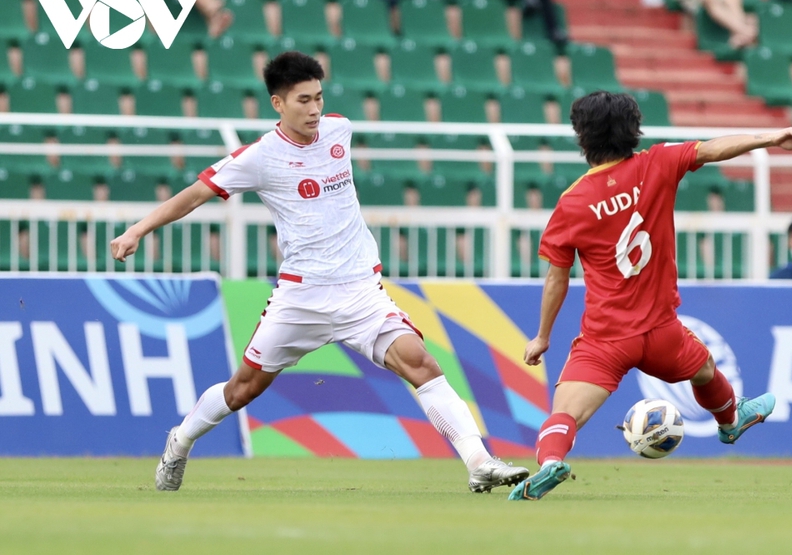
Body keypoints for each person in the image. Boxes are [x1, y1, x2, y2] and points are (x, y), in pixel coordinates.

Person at [110, 52, 529, 494]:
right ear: (277, 103)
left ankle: (479, 461)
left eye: (319, 98)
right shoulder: (258, 157)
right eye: (303, 100)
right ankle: (179, 442)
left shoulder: (338, 130)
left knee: (421, 363)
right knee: (241, 391)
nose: (314, 109)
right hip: (301, 298)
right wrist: (138, 229)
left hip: (360, 292)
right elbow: (195, 195)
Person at [507, 91, 792, 501]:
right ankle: (730, 419)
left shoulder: (572, 203)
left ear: (582, 136)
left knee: (566, 411)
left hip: (607, 338)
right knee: (704, 366)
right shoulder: (657, 163)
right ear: (633, 131)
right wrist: (770, 137)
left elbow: (556, 279)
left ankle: (550, 463)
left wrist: (543, 336)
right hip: (661, 331)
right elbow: (712, 149)